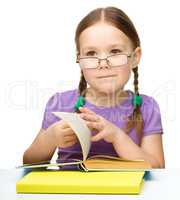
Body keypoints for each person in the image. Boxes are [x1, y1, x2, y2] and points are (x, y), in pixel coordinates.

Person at [23, 7, 165, 168]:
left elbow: (157, 168)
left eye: (115, 51)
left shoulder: (147, 107)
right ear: (79, 60)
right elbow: (28, 163)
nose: (103, 63)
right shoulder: (60, 102)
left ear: (135, 57)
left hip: (126, 193)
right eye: (91, 54)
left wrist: (118, 138)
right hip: (68, 192)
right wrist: (49, 138)